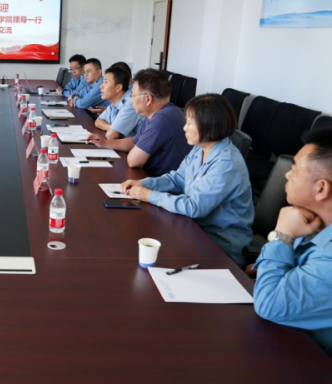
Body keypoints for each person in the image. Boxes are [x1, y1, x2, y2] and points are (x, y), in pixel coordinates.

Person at [121, 94, 254, 266]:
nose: (184, 128)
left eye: (190, 123)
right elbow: (178, 179)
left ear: (208, 124)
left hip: (218, 244)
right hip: (193, 228)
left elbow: (193, 207)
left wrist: (149, 195)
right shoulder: (201, 148)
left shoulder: (226, 163)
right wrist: (144, 183)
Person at [253, 127, 332, 356]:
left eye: (295, 169)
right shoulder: (315, 222)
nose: (287, 174)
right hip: (288, 337)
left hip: (310, 359)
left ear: (321, 188)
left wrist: (282, 235)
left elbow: (269, 305)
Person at [87, 68, 190, 176]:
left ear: (148, 99)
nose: (131, 99)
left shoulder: (162, 119)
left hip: (160, 181)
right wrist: (104, 143)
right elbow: (134, 141)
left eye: (132, 95)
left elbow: (133, 161)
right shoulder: (163, 112)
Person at [94, 67, 144, 139]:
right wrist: (114, 128)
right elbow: (98, 122)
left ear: (118, 88)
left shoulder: (130, 103)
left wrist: (114, 129)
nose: (101, 86)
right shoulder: (114, 104)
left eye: (106, 82)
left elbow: (111, 135)